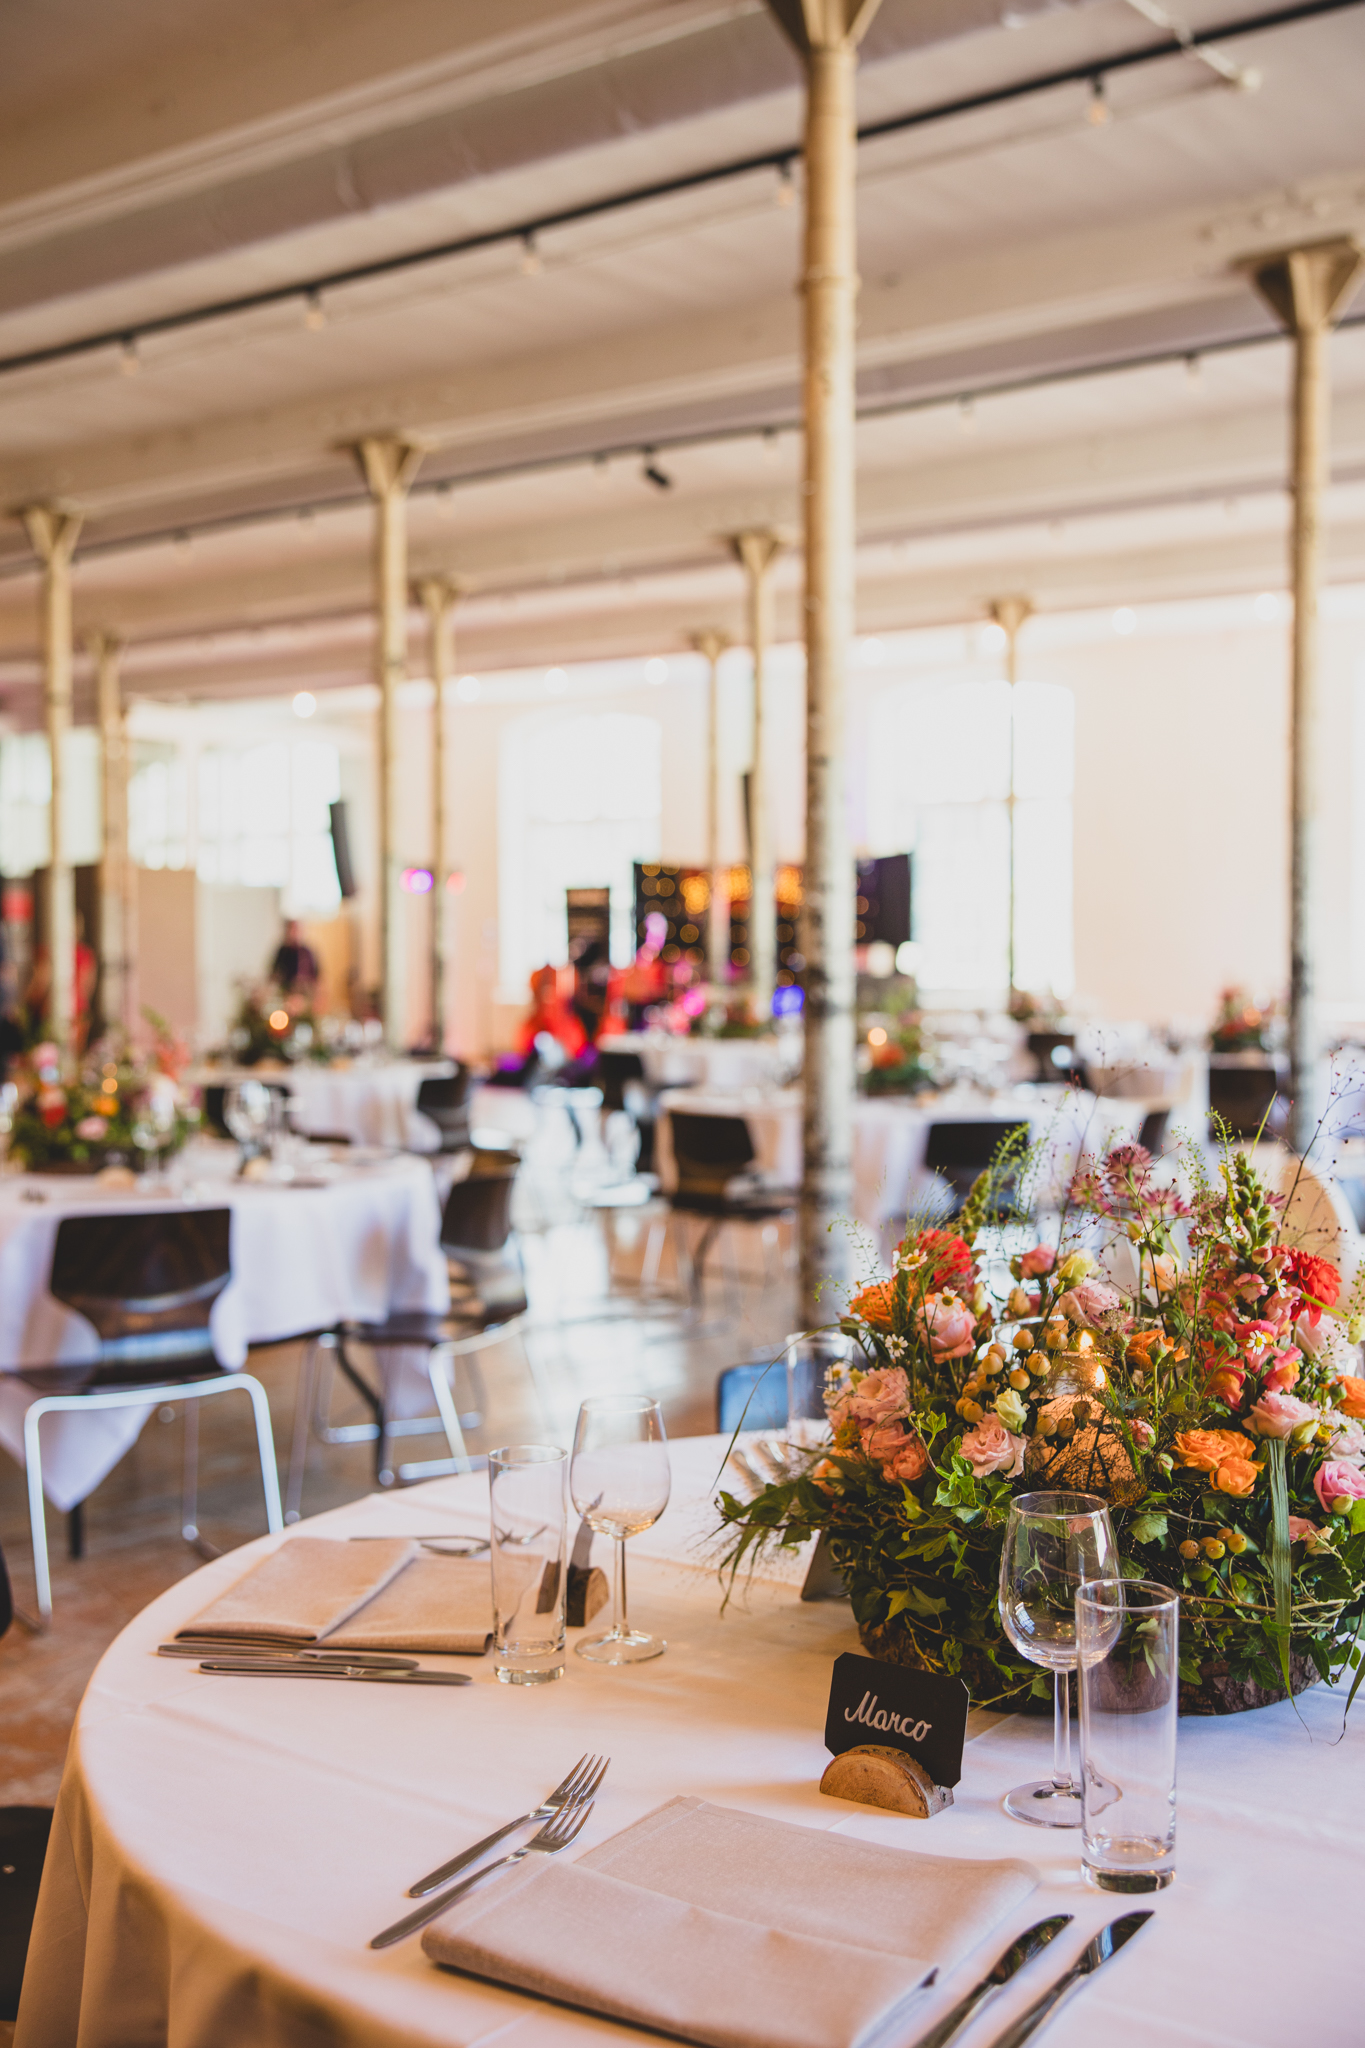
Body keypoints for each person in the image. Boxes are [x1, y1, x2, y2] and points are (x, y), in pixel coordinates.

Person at [269, 919, 319, 994]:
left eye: (295, 930)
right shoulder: (282, 952)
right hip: (285, 992)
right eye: (291, 929)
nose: (293, 933)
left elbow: (316, 976)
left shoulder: (307, 952)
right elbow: (273, 973)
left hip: (303, 993)